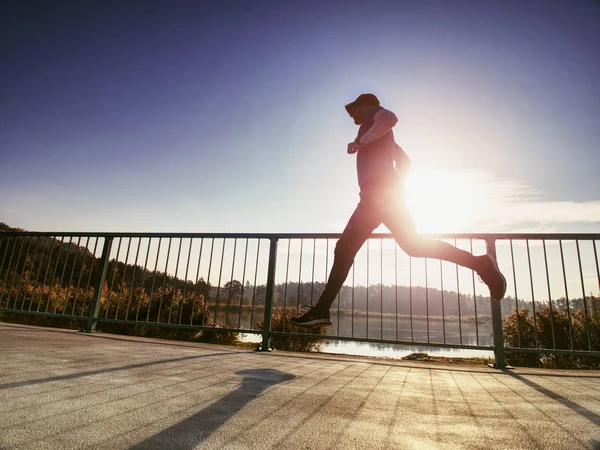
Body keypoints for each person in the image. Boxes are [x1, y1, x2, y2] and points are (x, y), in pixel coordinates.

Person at [291, 93, 506, 328]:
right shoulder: (382, 136)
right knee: (412, 245)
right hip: (384, 195)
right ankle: (481, 264)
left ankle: (321, 310)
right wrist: (395, 184)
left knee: (345, 249)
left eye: (354, 108)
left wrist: (361, 145)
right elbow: (406, 162)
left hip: (378, 195)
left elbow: (390, 117)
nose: (351, 114)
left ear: (367, 105)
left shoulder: (376, 117)